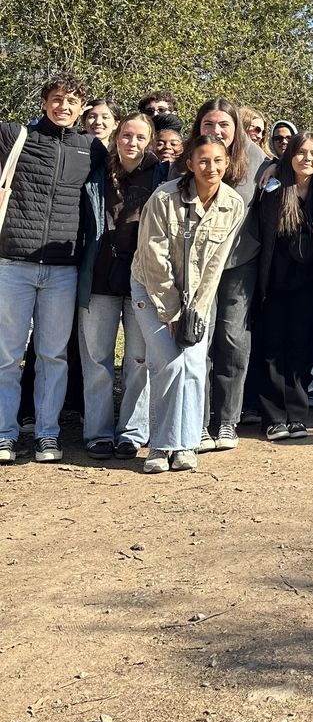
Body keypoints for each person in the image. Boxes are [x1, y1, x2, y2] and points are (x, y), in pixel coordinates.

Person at [0, 74, 106, 464]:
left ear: (82, 110)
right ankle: (4, 434)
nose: (64, 106)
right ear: (45, 102)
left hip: (63, 269)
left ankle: (47, 434)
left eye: (73, 101)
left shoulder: (90, 148)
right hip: (13, 261)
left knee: (52, 356)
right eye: (57, 99)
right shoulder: (15, 136)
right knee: (7, 357)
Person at [131, 135, 245, 473]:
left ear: (227, 163)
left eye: (218, 161)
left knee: (193, 366)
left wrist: (196, 310)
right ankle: (160, 447)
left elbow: (216, 264)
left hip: (197, 297)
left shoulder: (233, 203)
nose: (211, 167)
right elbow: (153, 256)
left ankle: (186, 443)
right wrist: (172, 312)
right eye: (203, 160)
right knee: (168, 365)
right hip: (152, 291)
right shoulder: (164, 197)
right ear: (190, 163)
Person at [186, 98, 270, 452]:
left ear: (237, 127)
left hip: (240, 262)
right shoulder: (188, 159)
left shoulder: (260, 162)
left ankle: (227, 421)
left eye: (224, 125)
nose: (216, 131)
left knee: (234, 340)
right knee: (200, 340)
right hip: (198, 264)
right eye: (209, 124)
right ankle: (199, 421)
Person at [77, 113, 159, 458]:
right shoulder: (96, 173)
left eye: (140, 137)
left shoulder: (161, 175)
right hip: (99, 275)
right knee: (97, 360)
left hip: (142, 278)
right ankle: (97, 432)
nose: (132, 143)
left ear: (149, 141)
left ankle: (131, 432)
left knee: (139, 360)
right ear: (117, 137)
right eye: (127, 135)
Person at [256, 131, 313, 440]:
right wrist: (274, 167)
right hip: (275, 281)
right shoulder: (273, 187)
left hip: (309, 283)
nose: (308, 159)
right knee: (273, 348)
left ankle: (297, 415)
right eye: (301, 153)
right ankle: (274, 417)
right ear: (289, 156)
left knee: (300, 348)